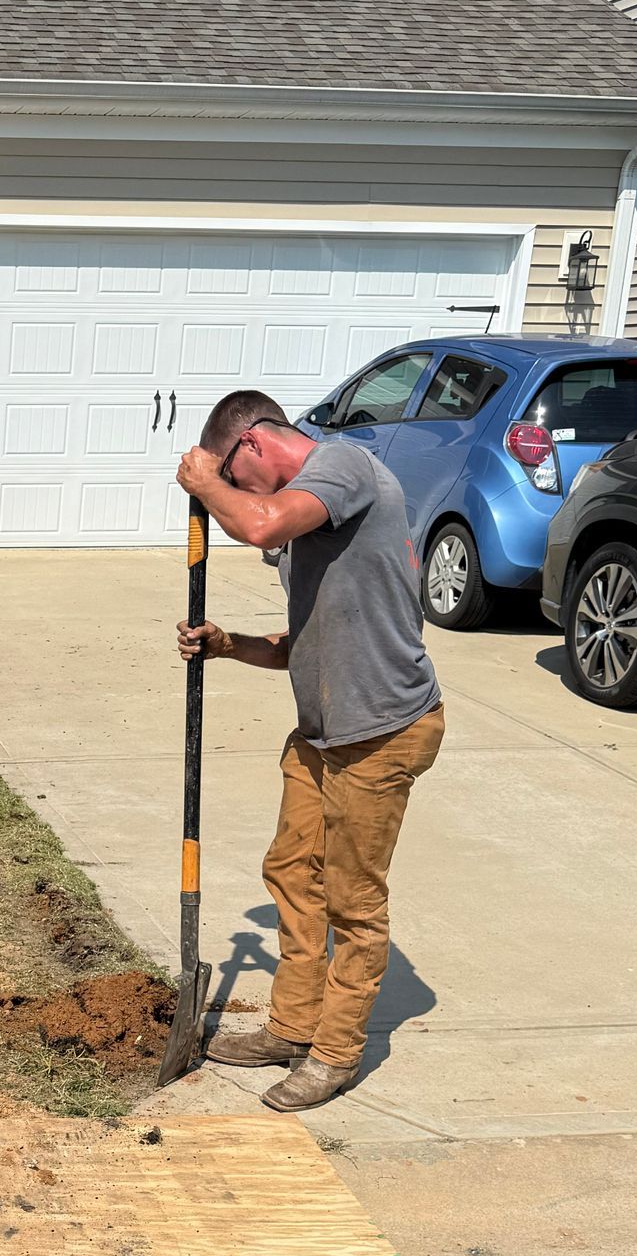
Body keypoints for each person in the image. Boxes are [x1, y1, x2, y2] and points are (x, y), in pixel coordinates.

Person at [173, 388, 445, 1113]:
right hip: (323, 731)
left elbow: (260, 525)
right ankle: (292, 1028)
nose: (236, 494)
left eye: (235, 477)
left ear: (255, 444)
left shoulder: (345, 468)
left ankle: (334, 1053)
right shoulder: (307, 524)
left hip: (382, 729)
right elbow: (305, 645)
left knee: (353, 900)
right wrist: (233, 646)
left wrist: (207, 487)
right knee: (293, 869)